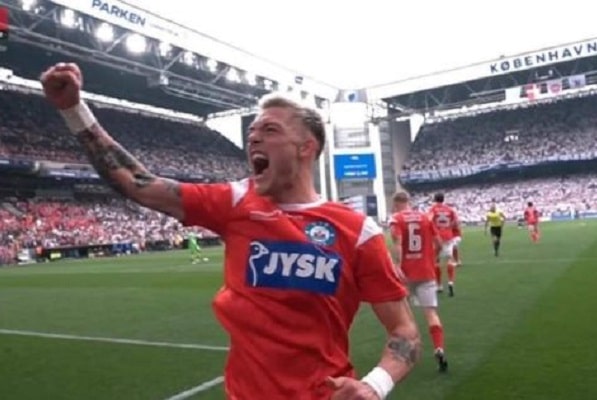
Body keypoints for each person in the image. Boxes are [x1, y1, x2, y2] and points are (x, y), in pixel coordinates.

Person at [40, 62, 421, 400]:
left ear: (306, 147)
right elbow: (139, 183)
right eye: (252, 131)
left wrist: (375, 385)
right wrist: (74, 110)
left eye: (270, 130)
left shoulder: (357, 231)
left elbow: (404, 332)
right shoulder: (235, 202)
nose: (253, 138)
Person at [389, 191, 449, 373]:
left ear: (396, 203)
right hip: (426, 271)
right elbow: (439, 243)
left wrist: (398, 265)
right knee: (431, 314)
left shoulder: (396, 219)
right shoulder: (425, 217)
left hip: (406, 274)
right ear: (408, 201)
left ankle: (405, 354)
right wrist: (432, 258)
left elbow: (398, 243)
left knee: (403, 317)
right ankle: (439, 348)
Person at [428, 193, 460, 297]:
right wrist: (448, 227)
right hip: (448, 236)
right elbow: (456, 222)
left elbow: (428, 220)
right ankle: (450, 282)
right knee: (450, 259)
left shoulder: (433, 209)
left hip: (436, 236)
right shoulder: (450, 209)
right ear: (443, 199)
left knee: (436, 261)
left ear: (435, 199)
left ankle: (439, 285)